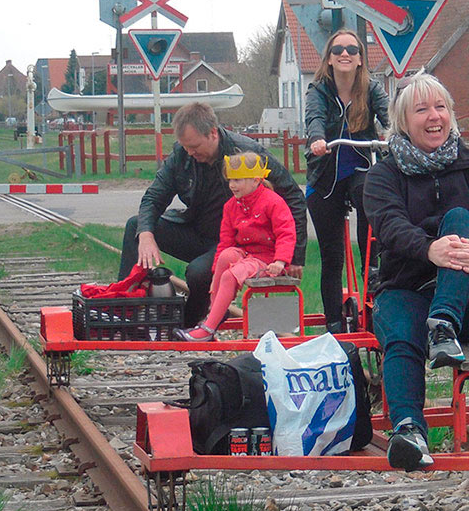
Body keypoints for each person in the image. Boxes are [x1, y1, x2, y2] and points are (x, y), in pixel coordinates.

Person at [365, 73, 469, 471]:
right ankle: (409, 431)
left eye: (440, 108)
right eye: (421, 110)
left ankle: (444, 325)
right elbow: (389, 225)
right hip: (408, 286)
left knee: (461, 218)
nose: (434, 117)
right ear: (403, 121)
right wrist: (428, 249)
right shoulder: (383, 175)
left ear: (451, 115)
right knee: (399, 337)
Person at [119, 102, 307, 327]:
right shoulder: (182, 156)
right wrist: (146, 234)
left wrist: (294, 256)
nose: (190, 152)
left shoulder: (247, 154)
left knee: (198, 273)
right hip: (196, 229)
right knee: (136, 226)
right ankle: (124, 307)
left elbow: (294, 197)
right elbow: (154, 197)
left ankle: (192, 321)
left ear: (213, 133)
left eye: (195, 146)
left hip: (235, 244)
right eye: (185, 146)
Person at [305, 29, 390, 333]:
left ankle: (373, 279)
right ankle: (334, 324)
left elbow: (389, 114)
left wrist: (399, 133)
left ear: (359, 59)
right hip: (326, 175)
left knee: (372, 196)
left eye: (352, 50)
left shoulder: (371, 88)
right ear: (329, 58)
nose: (345, 54)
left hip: (361, 168)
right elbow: (314, 117)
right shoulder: (318, 90)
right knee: (331, 255)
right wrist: (317, 138)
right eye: (338, 49)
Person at [172, 152, 297, 341]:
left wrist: (281, 261)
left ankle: (207, 329)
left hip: (268, 260)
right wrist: (216, 273)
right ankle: (215, 314)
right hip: (247, 254)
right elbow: (226, 241)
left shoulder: (273, 202)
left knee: (232, 275)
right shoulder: (231, 206)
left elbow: (286, 233)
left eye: (237, 180)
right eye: (230, 180)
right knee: (226, 257)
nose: (232, 185)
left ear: (256, 181)